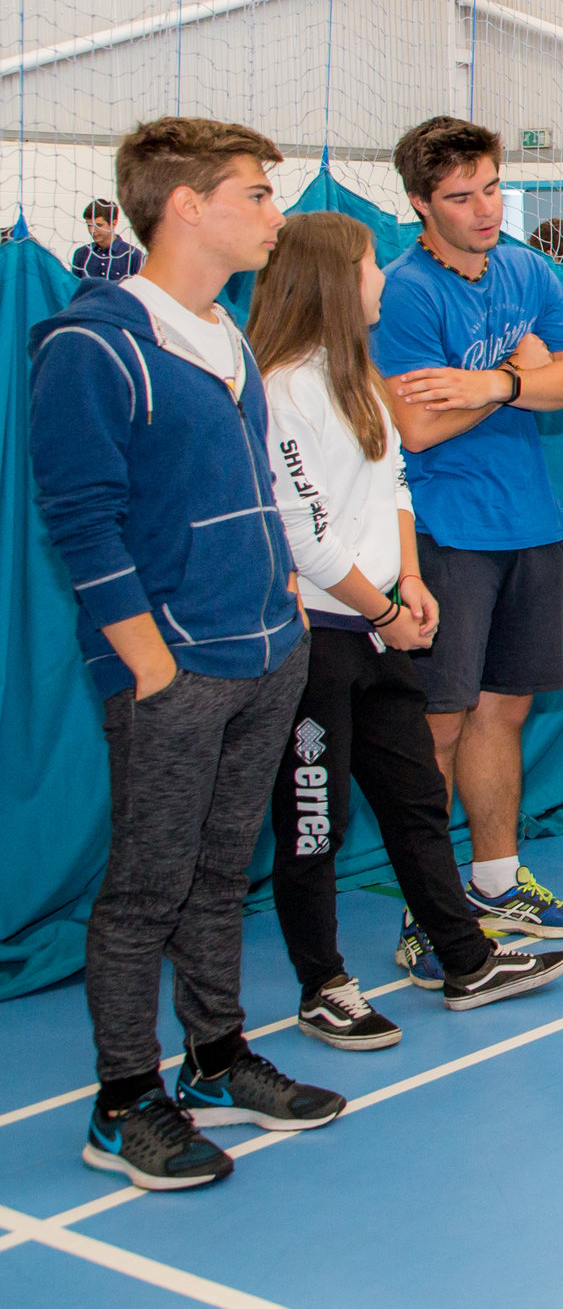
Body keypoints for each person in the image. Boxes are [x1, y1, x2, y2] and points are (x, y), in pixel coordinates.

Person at [31, 118, 340, 1191]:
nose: (276, 212)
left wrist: (288, 602)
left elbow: (250, 490)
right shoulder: (93, 342)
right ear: (187, 205)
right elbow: (80, 521)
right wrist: (150, 665)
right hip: (176, 670)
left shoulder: (228, 331)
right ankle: (123, 1100)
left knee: (218, 875)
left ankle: (213, 1056)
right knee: (145, 888)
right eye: (257, 192)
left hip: (266, 651)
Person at [250, 213, 563, 1035]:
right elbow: (305, 534)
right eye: (367, 266)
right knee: (313, 822)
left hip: (382, 625)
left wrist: (413, 580)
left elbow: (394, 480)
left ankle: (464, 955)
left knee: (416, 800)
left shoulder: (355, 376)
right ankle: (323, 983)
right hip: (321, 639)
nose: (382, 280)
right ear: (333, 281)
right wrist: (384, 609)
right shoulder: (283, 388)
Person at [372, 117, 563, 963]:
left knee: (503, 710)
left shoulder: (527, 267)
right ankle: (425, 915)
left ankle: (498, 883)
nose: (483, 208)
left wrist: (495, 378)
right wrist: (524, 377)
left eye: (492, 188)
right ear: (419, 205)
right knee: (436, 723)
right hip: (445, 530)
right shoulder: (404, 291)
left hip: (533, 525)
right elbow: (416, 429)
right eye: (460, 196)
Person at [72, 198, 145, 281]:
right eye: (89, 225)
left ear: (113, 223)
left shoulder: (133, 255)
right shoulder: (81, 254)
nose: (92, 230)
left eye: (98, 225)